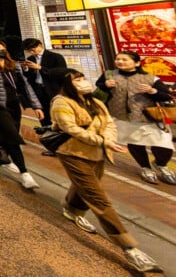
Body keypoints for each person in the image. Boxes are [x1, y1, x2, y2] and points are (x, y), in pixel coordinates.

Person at [51, 69, 162, 273]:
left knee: (85, 186)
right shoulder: (61, 102)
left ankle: (71, 209)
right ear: (67, 83)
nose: (83, 82)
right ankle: (129, 247)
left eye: (83, 78)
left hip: (98, 153)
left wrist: (108, 139)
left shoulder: (94, 101)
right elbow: (71, 129)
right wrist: (103, 140)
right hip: (73, 153)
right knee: (99, 199)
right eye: (77, 80)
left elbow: (108, 122)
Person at [96, 51, 176, 185]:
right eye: (118, 59)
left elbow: (167, 96)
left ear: (137, 63)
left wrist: (152, 91)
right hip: (123, 117)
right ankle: (145, 167)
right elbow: (99, 89)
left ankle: (161, 164)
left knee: (164, 144)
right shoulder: (108, 75)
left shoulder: (151, 78)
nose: (120, 62)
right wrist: (105, 86)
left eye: (125, 59)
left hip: (150, 118)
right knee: (135, 143)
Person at [0, 40, 44, 189]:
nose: (1, 50)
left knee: (8, 135)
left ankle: (3, 158)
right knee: (13, 136)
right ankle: (25, 173)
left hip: (14, 105)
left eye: (3, 47)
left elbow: (25, 86)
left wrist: (36, 106)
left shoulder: (13, 66)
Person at [21, 38, 67, 140]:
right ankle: (50, 143)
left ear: (40, 45)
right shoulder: (30, 59)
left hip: (53, 92)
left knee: (57, 118)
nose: (31, 52)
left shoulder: (55, 57)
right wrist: (26, 70)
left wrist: (40, 68)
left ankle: (61, 143)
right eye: (29, 50)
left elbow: (62, 72)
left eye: (33, 49)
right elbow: (28, 79)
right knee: (44, 119)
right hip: (38, 91)